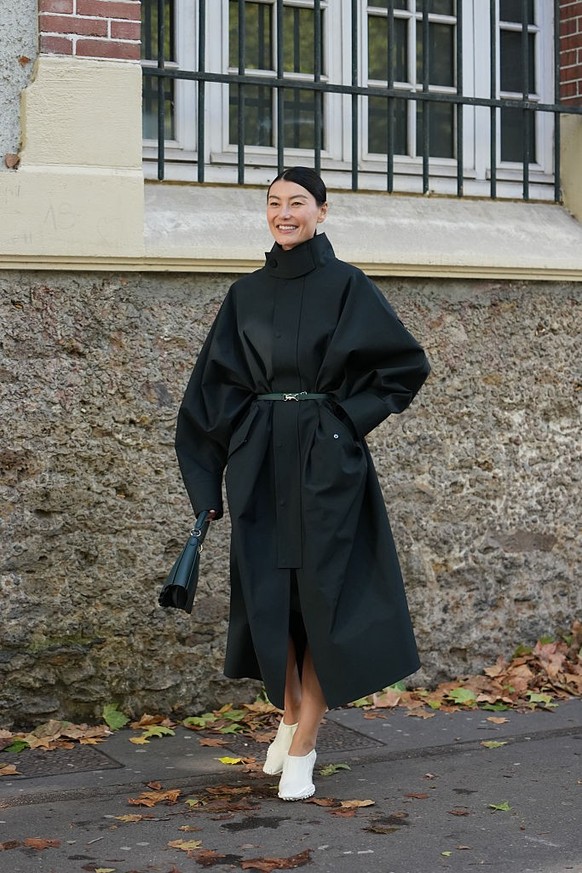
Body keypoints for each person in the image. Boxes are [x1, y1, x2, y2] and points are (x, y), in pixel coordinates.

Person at [175, 167, 430, 801]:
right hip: (259, 459)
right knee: (271, 601)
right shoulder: (244, 295)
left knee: (323, 599)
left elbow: (403, 365)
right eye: (273, 203)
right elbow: (211, 392)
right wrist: (208, 485)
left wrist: (345, 421)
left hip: (327, 460)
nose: (284, 213)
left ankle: (306, 746)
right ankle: (289, 718)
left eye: (297, 203)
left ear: (322, 211)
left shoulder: (348, 286)